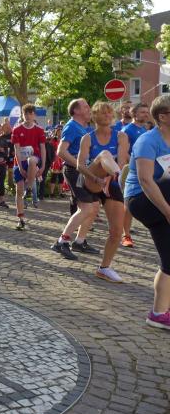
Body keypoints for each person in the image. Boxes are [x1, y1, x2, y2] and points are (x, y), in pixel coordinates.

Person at [123, 94, 170, 330]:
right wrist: (168, 211)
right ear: (162, 117)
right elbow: (145, 180)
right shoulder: (148, 141)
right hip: (141, 199)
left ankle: (159, 314)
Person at [76, 102, 129, 283]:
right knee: (104, 154)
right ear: (94, 116)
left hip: (110, 182)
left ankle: (104, 268)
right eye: (102, 112)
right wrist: (98, 179)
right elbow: (80, 165)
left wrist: (109, 178)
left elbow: (122, 161)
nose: (107, 115)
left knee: (117, 231)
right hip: (91, 179)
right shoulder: (87, 138)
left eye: (109, 112)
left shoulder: (121, 136)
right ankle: (119, 178)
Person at [52, 98, 99, 260]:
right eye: (85, 106)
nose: (89, 108)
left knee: (94, 207)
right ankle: (61, 242)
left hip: (84, 172)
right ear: (76, 111)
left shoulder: (84, 127)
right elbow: (61, 151)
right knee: (86, 208)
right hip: (74, 171)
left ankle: (79, 241)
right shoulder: (72, 126)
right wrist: (80, 166)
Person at [11, 103, 46, 229]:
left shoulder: (39, 130)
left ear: (34, 115)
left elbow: (43, 149)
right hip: (20, 161)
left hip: (34, 159)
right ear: (22, 115)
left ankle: (30, 188)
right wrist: (20, 167)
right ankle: (20, 219)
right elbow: (16, 150)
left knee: (31, 160)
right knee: (19, 191)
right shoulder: (16, 130)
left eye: (30, 113)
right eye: (25, 113)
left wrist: (43, 166)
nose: (28, 116)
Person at [121, 103, 150, 247]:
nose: (146, 114)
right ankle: (125, 235)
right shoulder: (127, 130)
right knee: (128, 203)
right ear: (134, 114)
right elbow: (123, 152)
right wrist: (136, 163)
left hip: (145, 170)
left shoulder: (144, 129)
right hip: (131, 170)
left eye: (147, 112)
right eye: (143, 112)